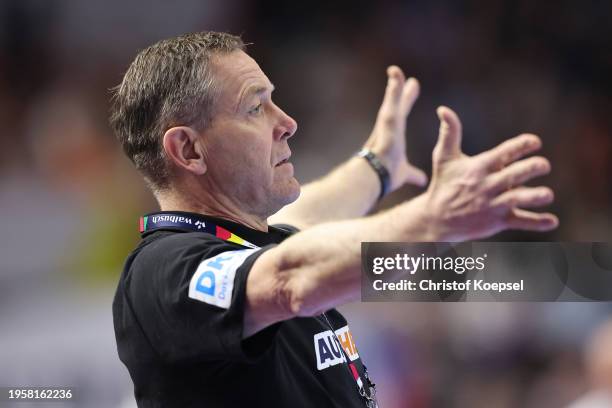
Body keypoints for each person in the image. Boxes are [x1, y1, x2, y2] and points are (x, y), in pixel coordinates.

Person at [110, 31, 558, 408]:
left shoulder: (249, 243)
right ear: (189, 149)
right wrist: (434, 218)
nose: (287, 122)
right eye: (254, 107)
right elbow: (289, 277)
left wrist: (377, 167)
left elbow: (307, 217)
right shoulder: (162, 274)